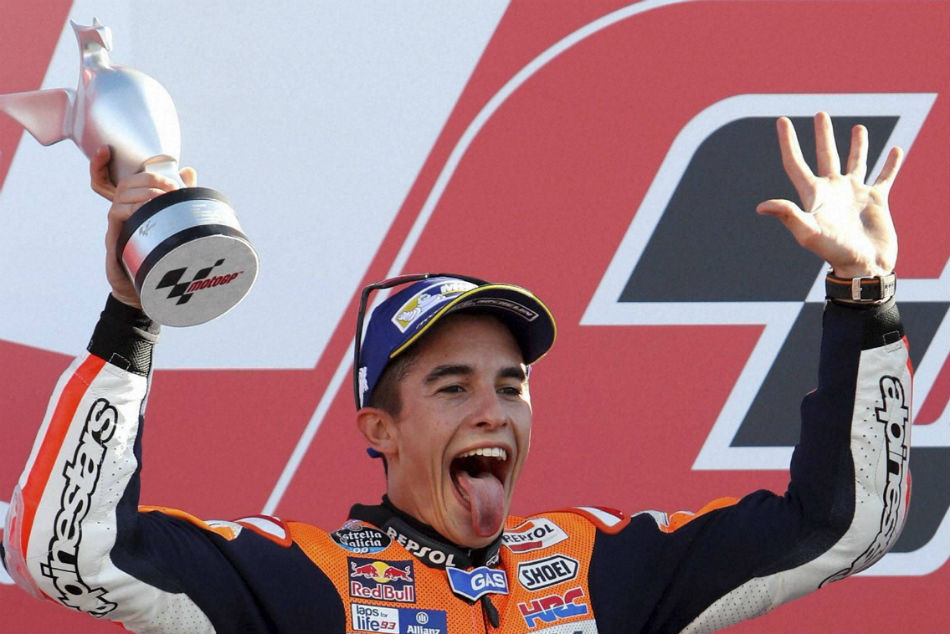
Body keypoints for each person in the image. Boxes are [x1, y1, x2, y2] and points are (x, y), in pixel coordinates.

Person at [1, 113, 911, 634]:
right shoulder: (302, 581)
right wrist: (134, 317)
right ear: (380, 428)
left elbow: (844, 526)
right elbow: (67, 556)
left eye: (511, 385)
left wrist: (863, 294)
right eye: (452, 386)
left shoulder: (599, 567)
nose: (492, 410)